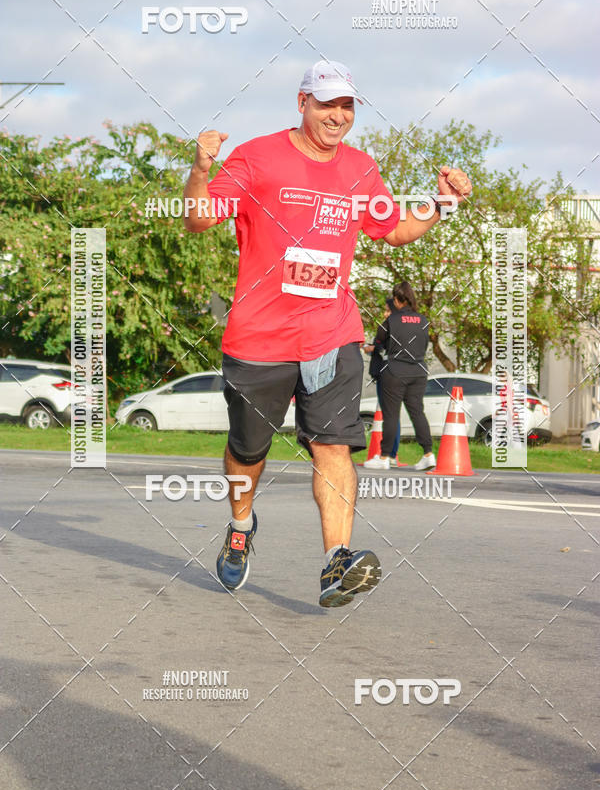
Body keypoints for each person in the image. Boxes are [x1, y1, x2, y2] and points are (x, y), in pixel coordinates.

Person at [183, 59, 471, 607]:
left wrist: (440, 204)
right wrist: (201, 169)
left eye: (347, 106)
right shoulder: (257, 157)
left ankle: (337, 562)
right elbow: (199, 217)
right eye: (327, 104)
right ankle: (241, 524)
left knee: (333, 447)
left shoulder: (362, 170)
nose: (338, 115)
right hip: (259, 337)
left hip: (332, 334)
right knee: (247, 452)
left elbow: (394, 230)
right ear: (302, 103)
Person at [364, 281, 435, 471]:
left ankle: (385, 456)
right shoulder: (423, 320)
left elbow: (380, 343)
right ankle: (428, 454)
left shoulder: (391, 321)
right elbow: (424, 344)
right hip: (418, 370)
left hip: (395, 371)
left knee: (391, 415)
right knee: (417, 412)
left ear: (396, 299)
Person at [363, 296, 401, 463]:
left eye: (388, 310)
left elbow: (386, 348)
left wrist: (372, 348)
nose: (385, 314)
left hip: (387, 374)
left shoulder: (392, 328)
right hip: (387, 373)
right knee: (391, 415)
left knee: (390, 415)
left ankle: (388, 455)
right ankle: (390, 454)